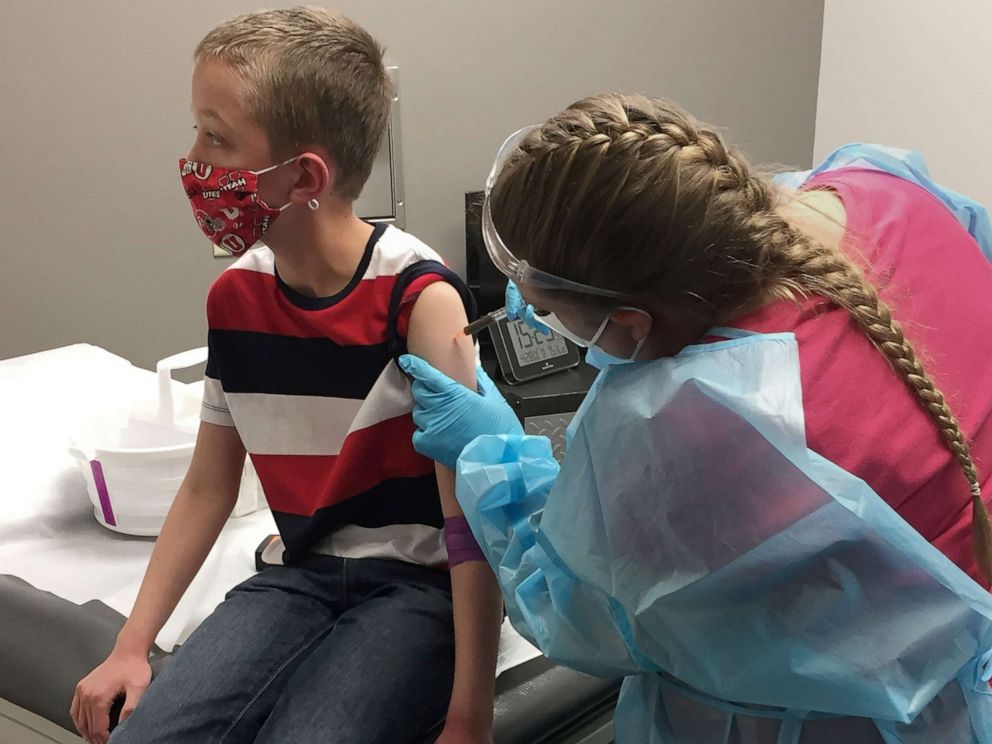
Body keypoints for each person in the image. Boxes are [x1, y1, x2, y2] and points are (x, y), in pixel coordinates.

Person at [398, 93, 992, 742]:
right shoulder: (879, 189)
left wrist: (496, 451)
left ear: (629, 321)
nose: (539, 319)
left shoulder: (703, 429)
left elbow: (579, 612)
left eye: (546, 308)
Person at [70, 8, 502, 744]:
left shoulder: (420, 303)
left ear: (304, 176)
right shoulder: (236, 297)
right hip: (298, 573)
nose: (194, 160)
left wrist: (471, 716)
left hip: (416, 589)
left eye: (216, 137)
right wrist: (132, 645)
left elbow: (470, 520)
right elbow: (210, 486)